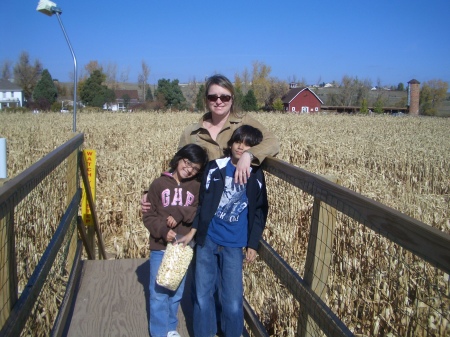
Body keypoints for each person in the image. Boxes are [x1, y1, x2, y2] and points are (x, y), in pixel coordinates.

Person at [178, 125, 269, 337]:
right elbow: (200, 201)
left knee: (233, 300)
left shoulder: (256, 175)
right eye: (238, 141)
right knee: (202, 295)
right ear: (231, 144)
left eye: (247, 144)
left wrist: (253, 244)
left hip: (234, 244)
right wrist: (194, 231)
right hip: (208, 239)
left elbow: (260, 211)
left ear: (253, 150)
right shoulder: (214, 168)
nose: (241, 146)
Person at [141, 73, 279, 211]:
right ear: (206, 100)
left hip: (236, 208)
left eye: (225, 97)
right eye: (213, 97)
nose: (219, 101)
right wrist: (152, 192)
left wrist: (248, 155)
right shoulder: (192, 133)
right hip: (202, 205)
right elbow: (177, 168)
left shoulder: (244, 122)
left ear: (232, 99)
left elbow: (272, 142)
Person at [143, 143, 208, 337]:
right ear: (179, 158)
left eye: (195, 168)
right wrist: (163, 231)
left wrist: (180, 213)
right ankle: (159, 332)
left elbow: (200, 210)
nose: (189, 170)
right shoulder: (158, 185)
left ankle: (171, 328)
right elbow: (149, 216)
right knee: (158, 291)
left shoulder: (197, 187)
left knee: (176, 292)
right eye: (187, 163)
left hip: (182, 248)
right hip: (160, 246)